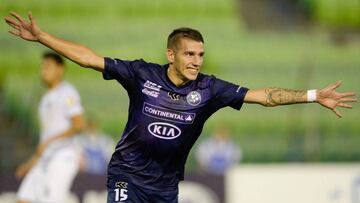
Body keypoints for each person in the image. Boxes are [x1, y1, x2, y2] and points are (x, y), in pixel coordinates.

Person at [5, 11, 356, 203]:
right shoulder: (142, 73)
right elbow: (90, 59)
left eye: (201, 54)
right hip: (127, 176)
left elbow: (264, 96)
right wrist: (43, 37)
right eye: (190, 54)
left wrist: (313, 96)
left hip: (165, 188)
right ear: (171, 54)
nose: (197, 61)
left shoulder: (210, 88)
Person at [14, 51, 85, 203]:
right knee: (23, 199)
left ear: (60, 69)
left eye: (47, 67)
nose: (42, 71)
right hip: (45, 159)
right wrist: (31, 162)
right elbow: (45, 137)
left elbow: (79, 124)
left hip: (62, 157)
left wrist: (50, 141)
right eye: (41, 67)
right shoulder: (46, 98)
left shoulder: (67, 92)